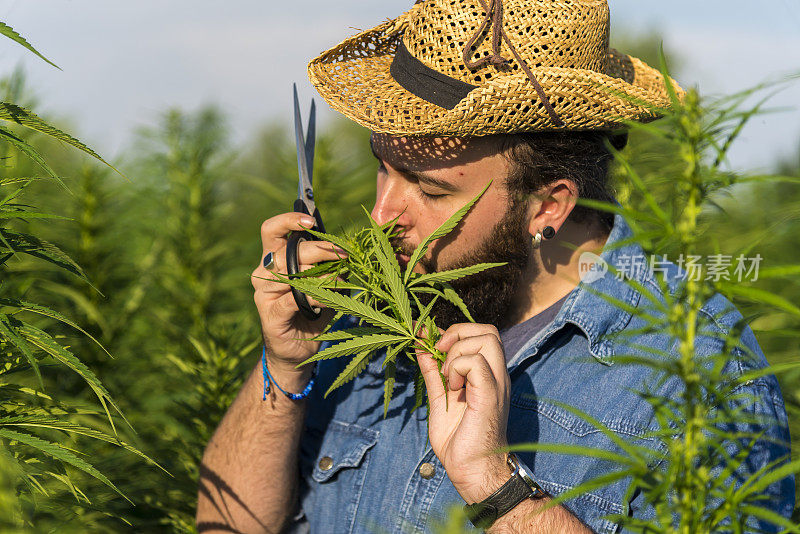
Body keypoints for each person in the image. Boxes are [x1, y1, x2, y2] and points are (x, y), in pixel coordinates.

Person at [197, 1, 794, 532]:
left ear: (548, 205)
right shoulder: (363, 310)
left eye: (430, 192)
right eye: (384, 166)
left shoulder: (693, 369)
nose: (380, 215)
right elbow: (224, 525)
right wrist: (286, 365)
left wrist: (497, 487)